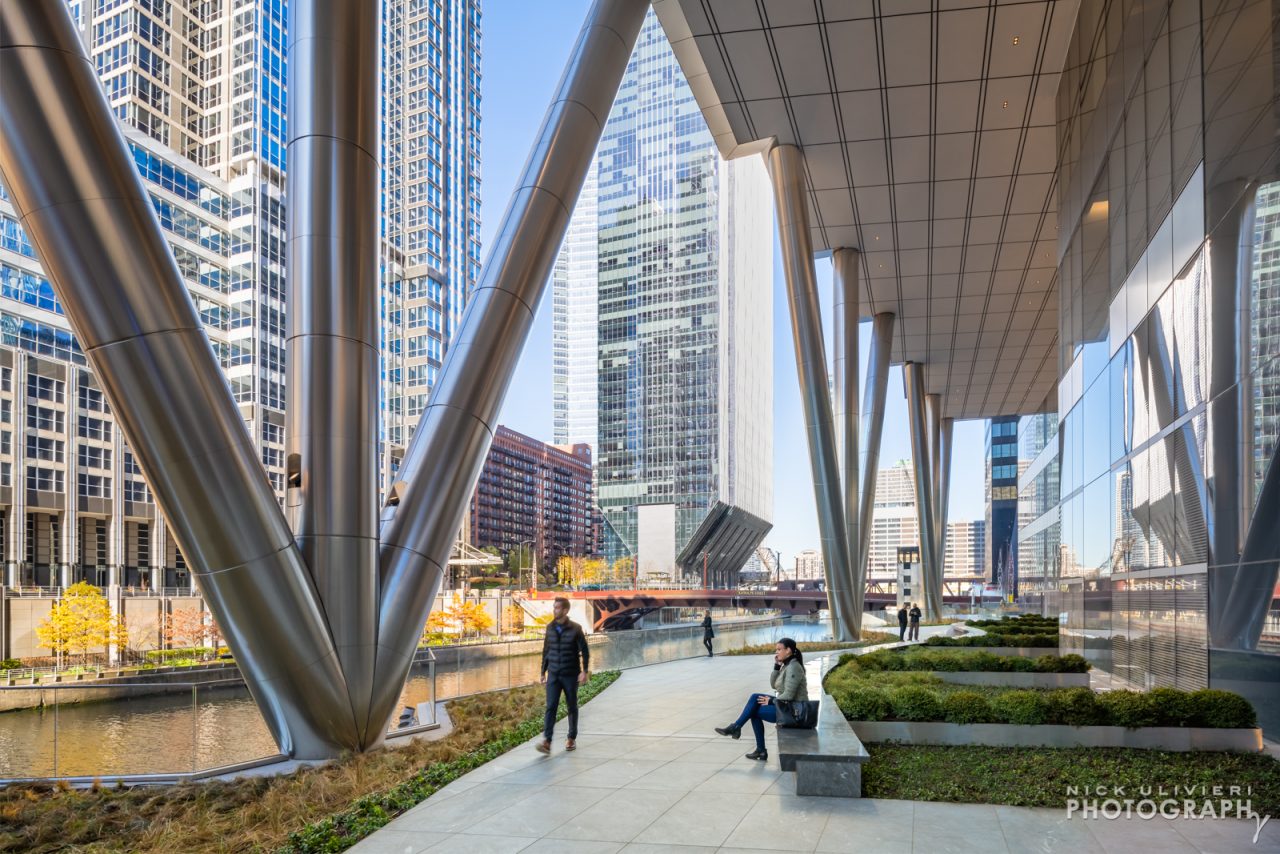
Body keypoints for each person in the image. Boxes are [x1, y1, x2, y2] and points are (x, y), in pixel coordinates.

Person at [713, 637, 807, 762]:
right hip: (787, 705)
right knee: (755, 697)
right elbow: (774, 685)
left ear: (788, 650)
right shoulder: (787, 665)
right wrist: (776, 667)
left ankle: (756, 746)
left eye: (779, 649)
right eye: (776, 650)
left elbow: (789, 695)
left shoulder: (794, 667)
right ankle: (738, 729)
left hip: (795, 712)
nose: (776, 652)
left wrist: (771, 701)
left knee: (754, 712)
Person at [537, 596, 589, 754]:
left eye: (557, 608)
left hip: (570, 673)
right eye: (554, 607)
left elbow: (585, 650)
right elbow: (546, 651)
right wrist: (542, 672)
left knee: (571, 706)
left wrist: (584, 671)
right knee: (551, 706)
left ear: (565, 610)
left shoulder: (576, 628)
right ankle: (547, 741)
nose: (554, 610)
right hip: (553, 674)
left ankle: (571, 738)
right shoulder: (550, 628)